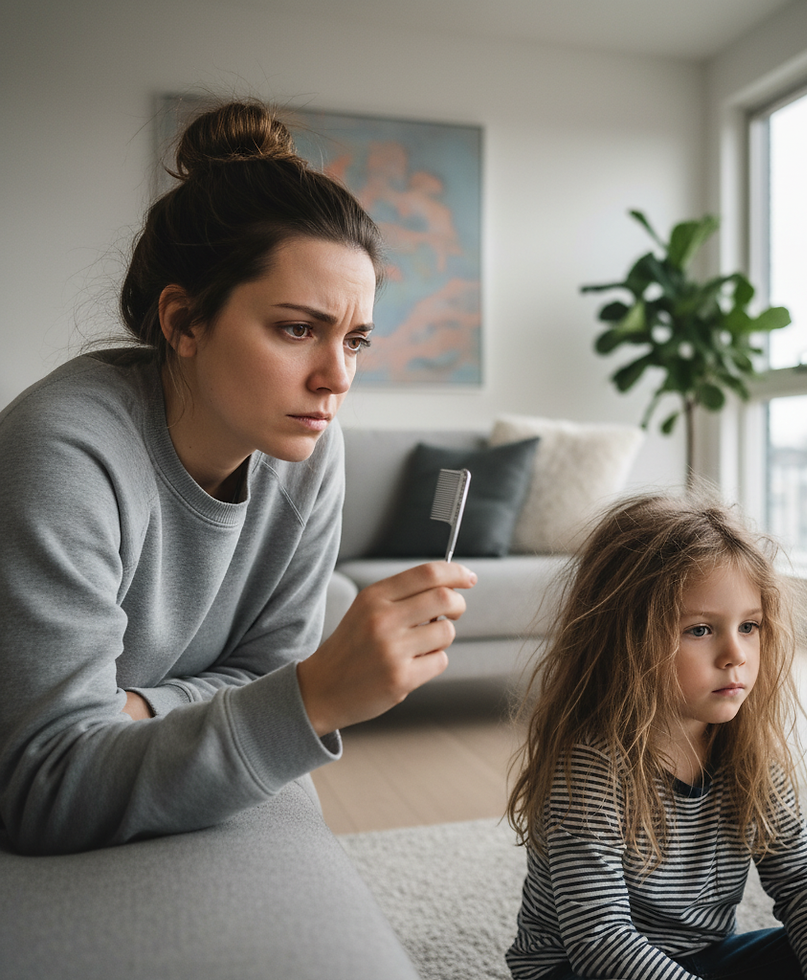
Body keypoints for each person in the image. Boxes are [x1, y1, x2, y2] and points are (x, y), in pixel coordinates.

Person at [0, 100, 476, 856]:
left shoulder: (313, 454)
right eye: (297, 329)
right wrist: (314, 695)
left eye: (356, 339)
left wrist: (133, 708)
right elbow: (43, 784)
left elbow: (263, 672)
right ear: (184, 322)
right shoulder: (63, 448)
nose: (336, 377)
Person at [505, 495, 807, 980]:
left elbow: (806, 883)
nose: (735, 654)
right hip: (583, 969)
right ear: (622, 639)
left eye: (749, 626)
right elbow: (600, 941)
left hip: (703, 963)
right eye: (701, 629)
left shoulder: (746, 752)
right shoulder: (589, 765)